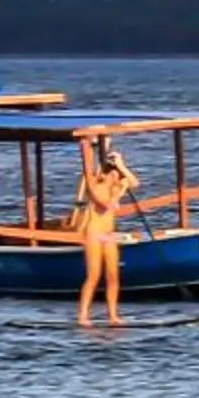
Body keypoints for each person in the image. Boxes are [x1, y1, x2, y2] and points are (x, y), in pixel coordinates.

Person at [74, 138, 141, 327]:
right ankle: (83, 316)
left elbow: (134, 182)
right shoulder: (94, 184)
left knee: (113, 276)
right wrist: (119, 193)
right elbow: (105, 205)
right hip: (94, 233)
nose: (115, 176)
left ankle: (113, 315)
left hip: (109, 234)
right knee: (94, 275)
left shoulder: (117, 181)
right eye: (112, 172)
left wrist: (121, 165)